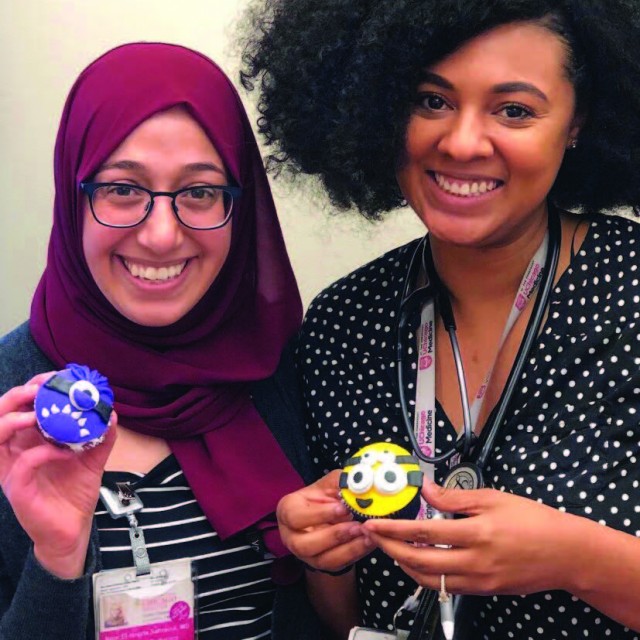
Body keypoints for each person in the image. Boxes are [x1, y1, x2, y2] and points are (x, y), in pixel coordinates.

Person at [241, 1, 640, 638]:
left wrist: (576, 557)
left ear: (578, 123)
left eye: (514, 109)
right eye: (432, 100)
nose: (459, 141)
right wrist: (323, 553)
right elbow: (348, 620)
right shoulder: (342, 324)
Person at [0, 42, 323, 640]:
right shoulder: (13, 402)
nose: (161, 234)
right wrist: (57, 559)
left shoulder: (282, 371)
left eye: (200, 193)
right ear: (74, 201)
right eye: (123, 189)